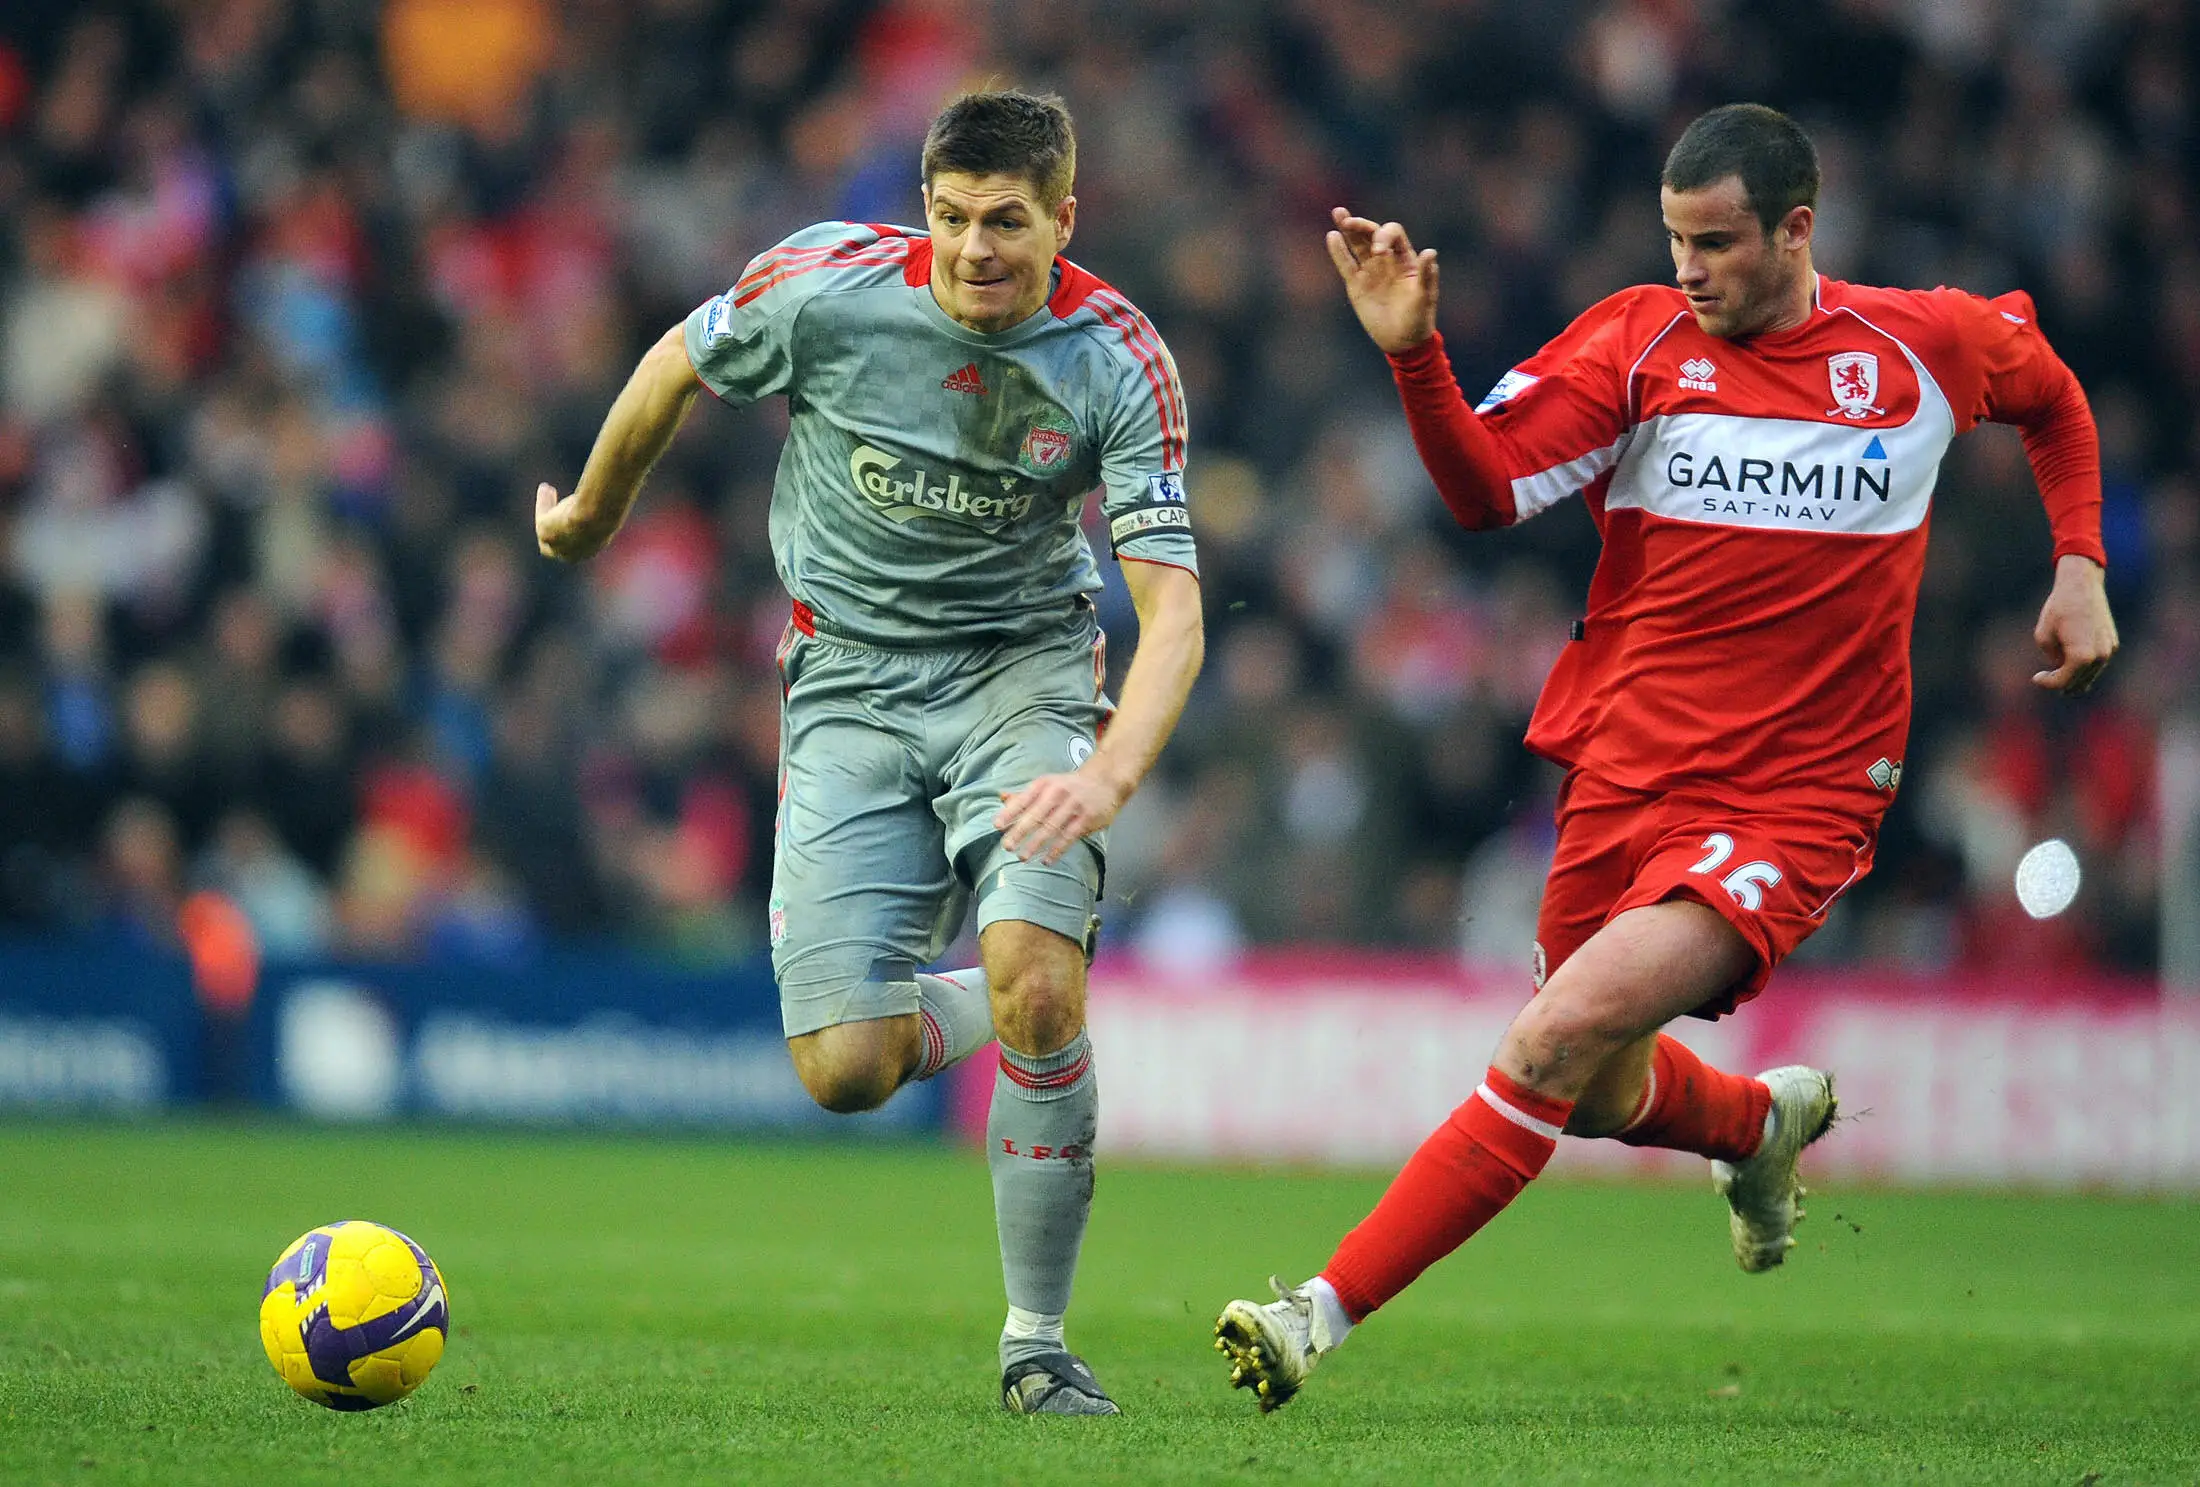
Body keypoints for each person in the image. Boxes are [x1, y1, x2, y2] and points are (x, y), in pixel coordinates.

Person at [1214, 102, 2117, 1410]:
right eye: (1674, 239)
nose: (1689, 268)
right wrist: (1416, 361)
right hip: (1624, 773)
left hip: (1804, 792)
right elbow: (1483, 493)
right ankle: (1756, 1125)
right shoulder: (1636, 344)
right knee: (1590, 1091)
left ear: (1797, 231)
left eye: (1716, 241)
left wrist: (2079, 565)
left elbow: (2055, 396)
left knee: (1552, 1034)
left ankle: (1314, 1314)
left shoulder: (1916, 347)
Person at [535, 90, 1204, 1416]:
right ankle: (989, 1000)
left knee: (1043, 994)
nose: (973, 250)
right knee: (845, 1068)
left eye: (1006, 222)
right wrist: (589, 517)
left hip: (1023, 677)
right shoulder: (828, 289)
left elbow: (1174, 607)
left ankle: (1036, 1344)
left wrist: (1113, 769)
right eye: (952, 217)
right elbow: (676, 358)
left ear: (1064, 220)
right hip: (844, 685)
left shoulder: (1119, 358)